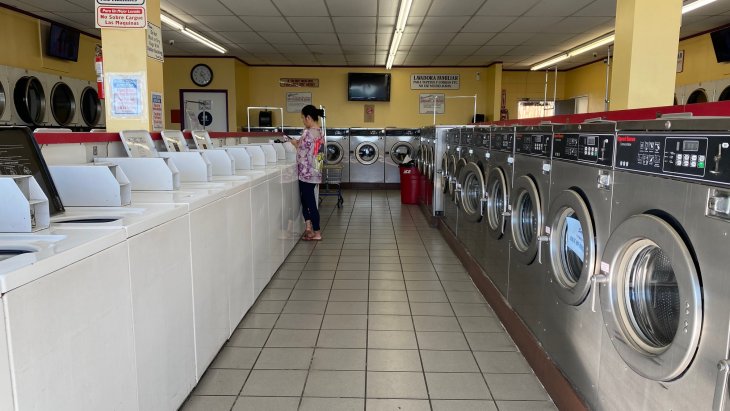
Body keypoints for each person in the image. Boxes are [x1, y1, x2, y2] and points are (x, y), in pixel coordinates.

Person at [291, 105, 325, 241]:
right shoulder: (320, 132)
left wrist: (295, 143)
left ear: (308, 117)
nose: (303, 121)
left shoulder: (307, 133)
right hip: (316, 172)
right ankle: (309, 230)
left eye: (303, 118)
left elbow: (301, 151)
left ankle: (316, 232)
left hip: (306, 174)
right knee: (308, 201)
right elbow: (318, 153)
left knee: (308, 203)